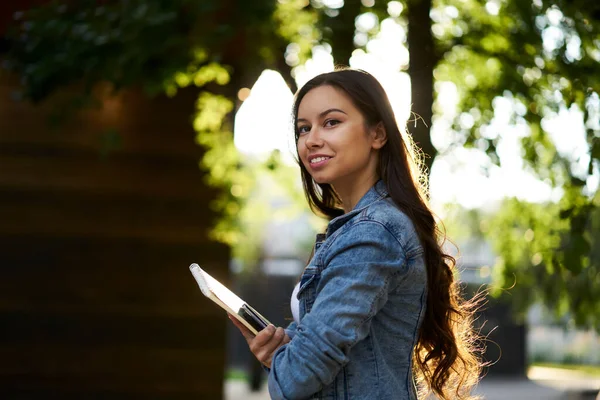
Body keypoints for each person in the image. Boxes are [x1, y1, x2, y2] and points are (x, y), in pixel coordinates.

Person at [230, 68, 483, 400]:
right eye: (303, 128)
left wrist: (283, 362)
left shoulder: (372, 234)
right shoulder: (358, 227)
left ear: (378, 134)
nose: (311, 139)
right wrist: (277, 353)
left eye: (331, 122)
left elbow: (295, 380)